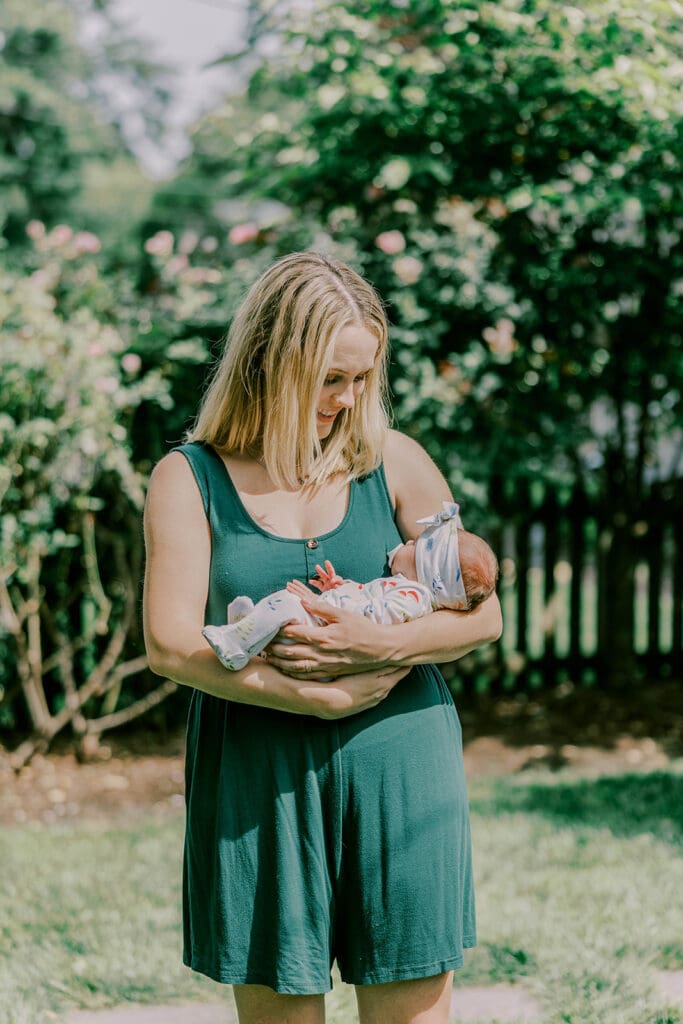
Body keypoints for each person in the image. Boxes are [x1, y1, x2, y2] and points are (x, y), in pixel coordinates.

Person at [143, 251, 502, 1024]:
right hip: (256, 776)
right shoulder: (188, 477)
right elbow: (170, 644)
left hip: (399, 764)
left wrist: (381, 650)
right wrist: (314, 699)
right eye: (328, 378)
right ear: (270, 361)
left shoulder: (394, 461)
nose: (345, 399)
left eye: (360, 379)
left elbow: (485, 614)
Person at [202, 502, 499, 673]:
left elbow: (372, 618)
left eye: (414, 545)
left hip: (324, 630)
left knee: (287, 602)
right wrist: (340, 586)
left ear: (424, 568)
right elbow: (369, 599)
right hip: (323, 628)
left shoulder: (412, 597)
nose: (407, 541)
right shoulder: (403, 590)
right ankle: (248, 631)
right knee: (282, 611)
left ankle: (237, 643)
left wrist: (325, 605)